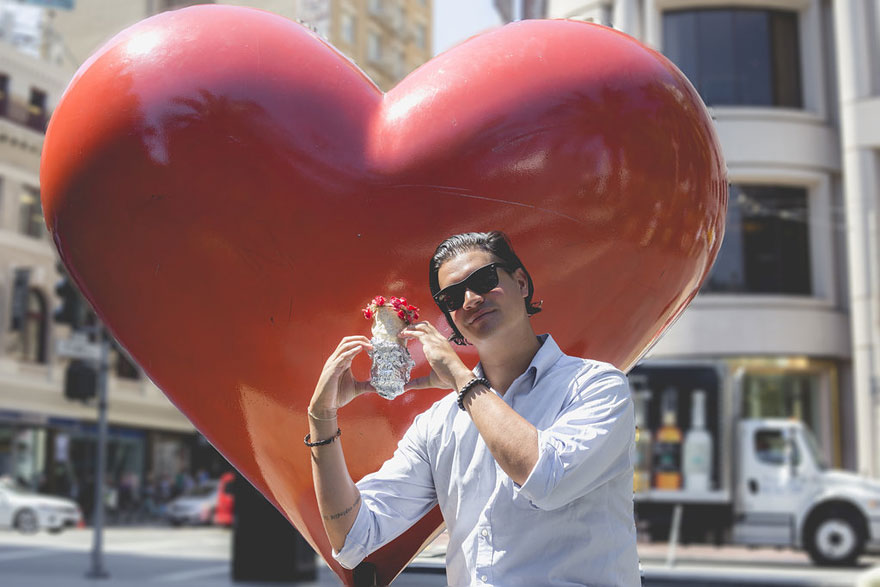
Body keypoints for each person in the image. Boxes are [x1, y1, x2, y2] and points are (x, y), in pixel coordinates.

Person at [308, 231, 640, 586]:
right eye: (452, 297)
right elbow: (353, 539)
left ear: (521, 282)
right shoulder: (439, 423)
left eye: (484, 280)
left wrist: (460, 377)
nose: (470, 300)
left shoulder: (596, 385)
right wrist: (321, 418)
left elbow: (546, 481)